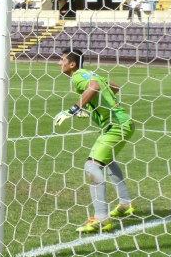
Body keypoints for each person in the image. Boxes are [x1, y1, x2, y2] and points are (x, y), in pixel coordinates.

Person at [54, 50, 135, 234]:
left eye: (62, 60)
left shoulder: (77, 77)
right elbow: (114, 87)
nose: (59, 63)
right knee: (108, 161)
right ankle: (125, 204)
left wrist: (75, 109)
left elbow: (94, 87)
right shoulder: (91, 73)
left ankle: (101, 218)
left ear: (72, 64)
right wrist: (92, 105)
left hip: (116, 125)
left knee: (91, 166)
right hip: (121, 123)